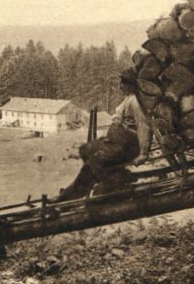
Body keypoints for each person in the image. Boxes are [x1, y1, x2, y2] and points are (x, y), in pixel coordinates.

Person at [56, 68, 153, 201]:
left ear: (130, 84)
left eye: (123, 83)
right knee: (85, 149)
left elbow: (144, 126)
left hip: (127, 145)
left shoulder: (135, 102)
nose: (120, 86)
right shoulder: (128, 99)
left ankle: (72, 194)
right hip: (117, 142)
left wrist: (144, 153)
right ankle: (111, 177)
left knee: (95, 161)